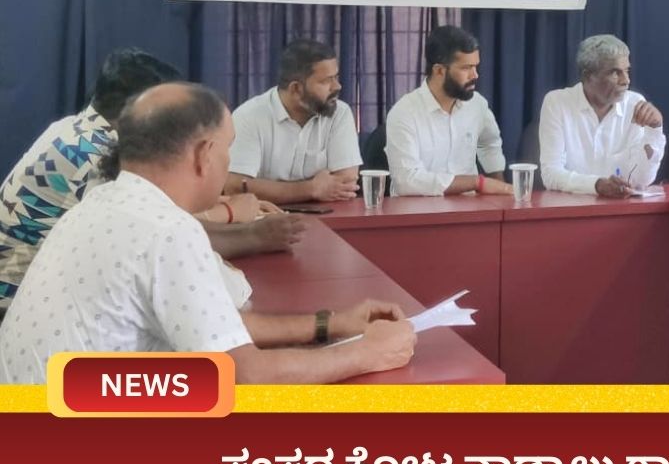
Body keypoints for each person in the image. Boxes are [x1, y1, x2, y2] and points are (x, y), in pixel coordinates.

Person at [0, 83, 415, 384]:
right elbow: (245, 375)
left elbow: (214, 326)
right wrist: (369, 352)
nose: (229, 162)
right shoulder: (167, 230)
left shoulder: (102, 202)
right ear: (204, 154)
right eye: (228, 147)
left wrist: (332, 324)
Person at [0, 49, 302, 319]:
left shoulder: (72, 129)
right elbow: (154, 240)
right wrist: (251, 232)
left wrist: (225, 207)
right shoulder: (98, 155)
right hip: (18, 303)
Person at [225, 39, 363, 204]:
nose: (337, 86)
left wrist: (268, 188)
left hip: (328, 213)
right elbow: (234, 186)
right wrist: (311, 189)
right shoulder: (249, 116)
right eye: (326, 81)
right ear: (296, 89)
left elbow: (346, 184)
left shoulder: (339, 113)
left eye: (336, 77)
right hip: (265, 216)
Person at [385, 25, 512, 197]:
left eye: (476, 66)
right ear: (439, 70)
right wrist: (477, 183)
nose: (475, 75)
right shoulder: (404, 113)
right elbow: (406, 181)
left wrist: (501, 190)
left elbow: (490, 144)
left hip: (471, 208)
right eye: (466, 68)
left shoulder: (477, 105)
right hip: (419, 209)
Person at [539, 35, 666, 198]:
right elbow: (551, 175)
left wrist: (654, 130)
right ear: (588, 75)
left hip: (622, 207)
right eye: (615, 72)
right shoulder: (557, 103)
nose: (626, 80)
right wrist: (597, 185)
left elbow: (642, 180)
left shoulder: (635, 104)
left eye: (627, 71)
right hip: (570, 206)